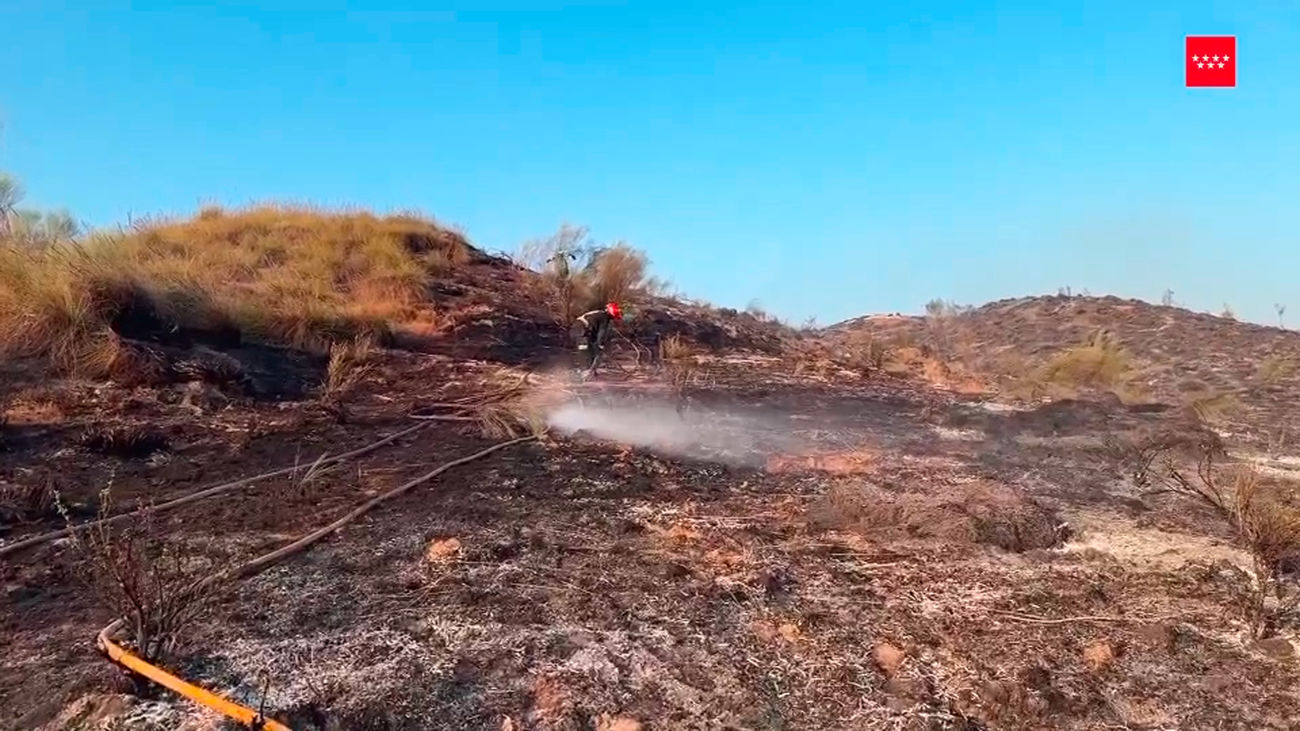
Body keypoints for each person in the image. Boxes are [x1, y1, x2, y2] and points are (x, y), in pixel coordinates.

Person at [572, 302, 623, 377]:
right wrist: (600, 344)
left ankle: (588, 370)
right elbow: (601, 332)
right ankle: (584, 371)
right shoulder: (604, 317)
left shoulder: (599, 314)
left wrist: (597, 343)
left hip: (580, 328)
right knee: (584, 349)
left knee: (591, 348)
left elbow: (595, 332)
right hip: (581, 329)